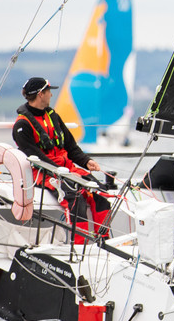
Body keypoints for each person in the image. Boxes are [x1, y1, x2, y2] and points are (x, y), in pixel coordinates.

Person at [12, 76, 110, 241]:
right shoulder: (22, 125)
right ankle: (78, 246)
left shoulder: (54, 117)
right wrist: (61, 173)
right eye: (49, 91)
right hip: (44, 173)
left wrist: (86, 161)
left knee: (101, 193)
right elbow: (36, 157)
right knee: (76, 198)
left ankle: (103, 241)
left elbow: (71, 147)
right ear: (41, 94)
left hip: (68, 169)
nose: (51, 95)